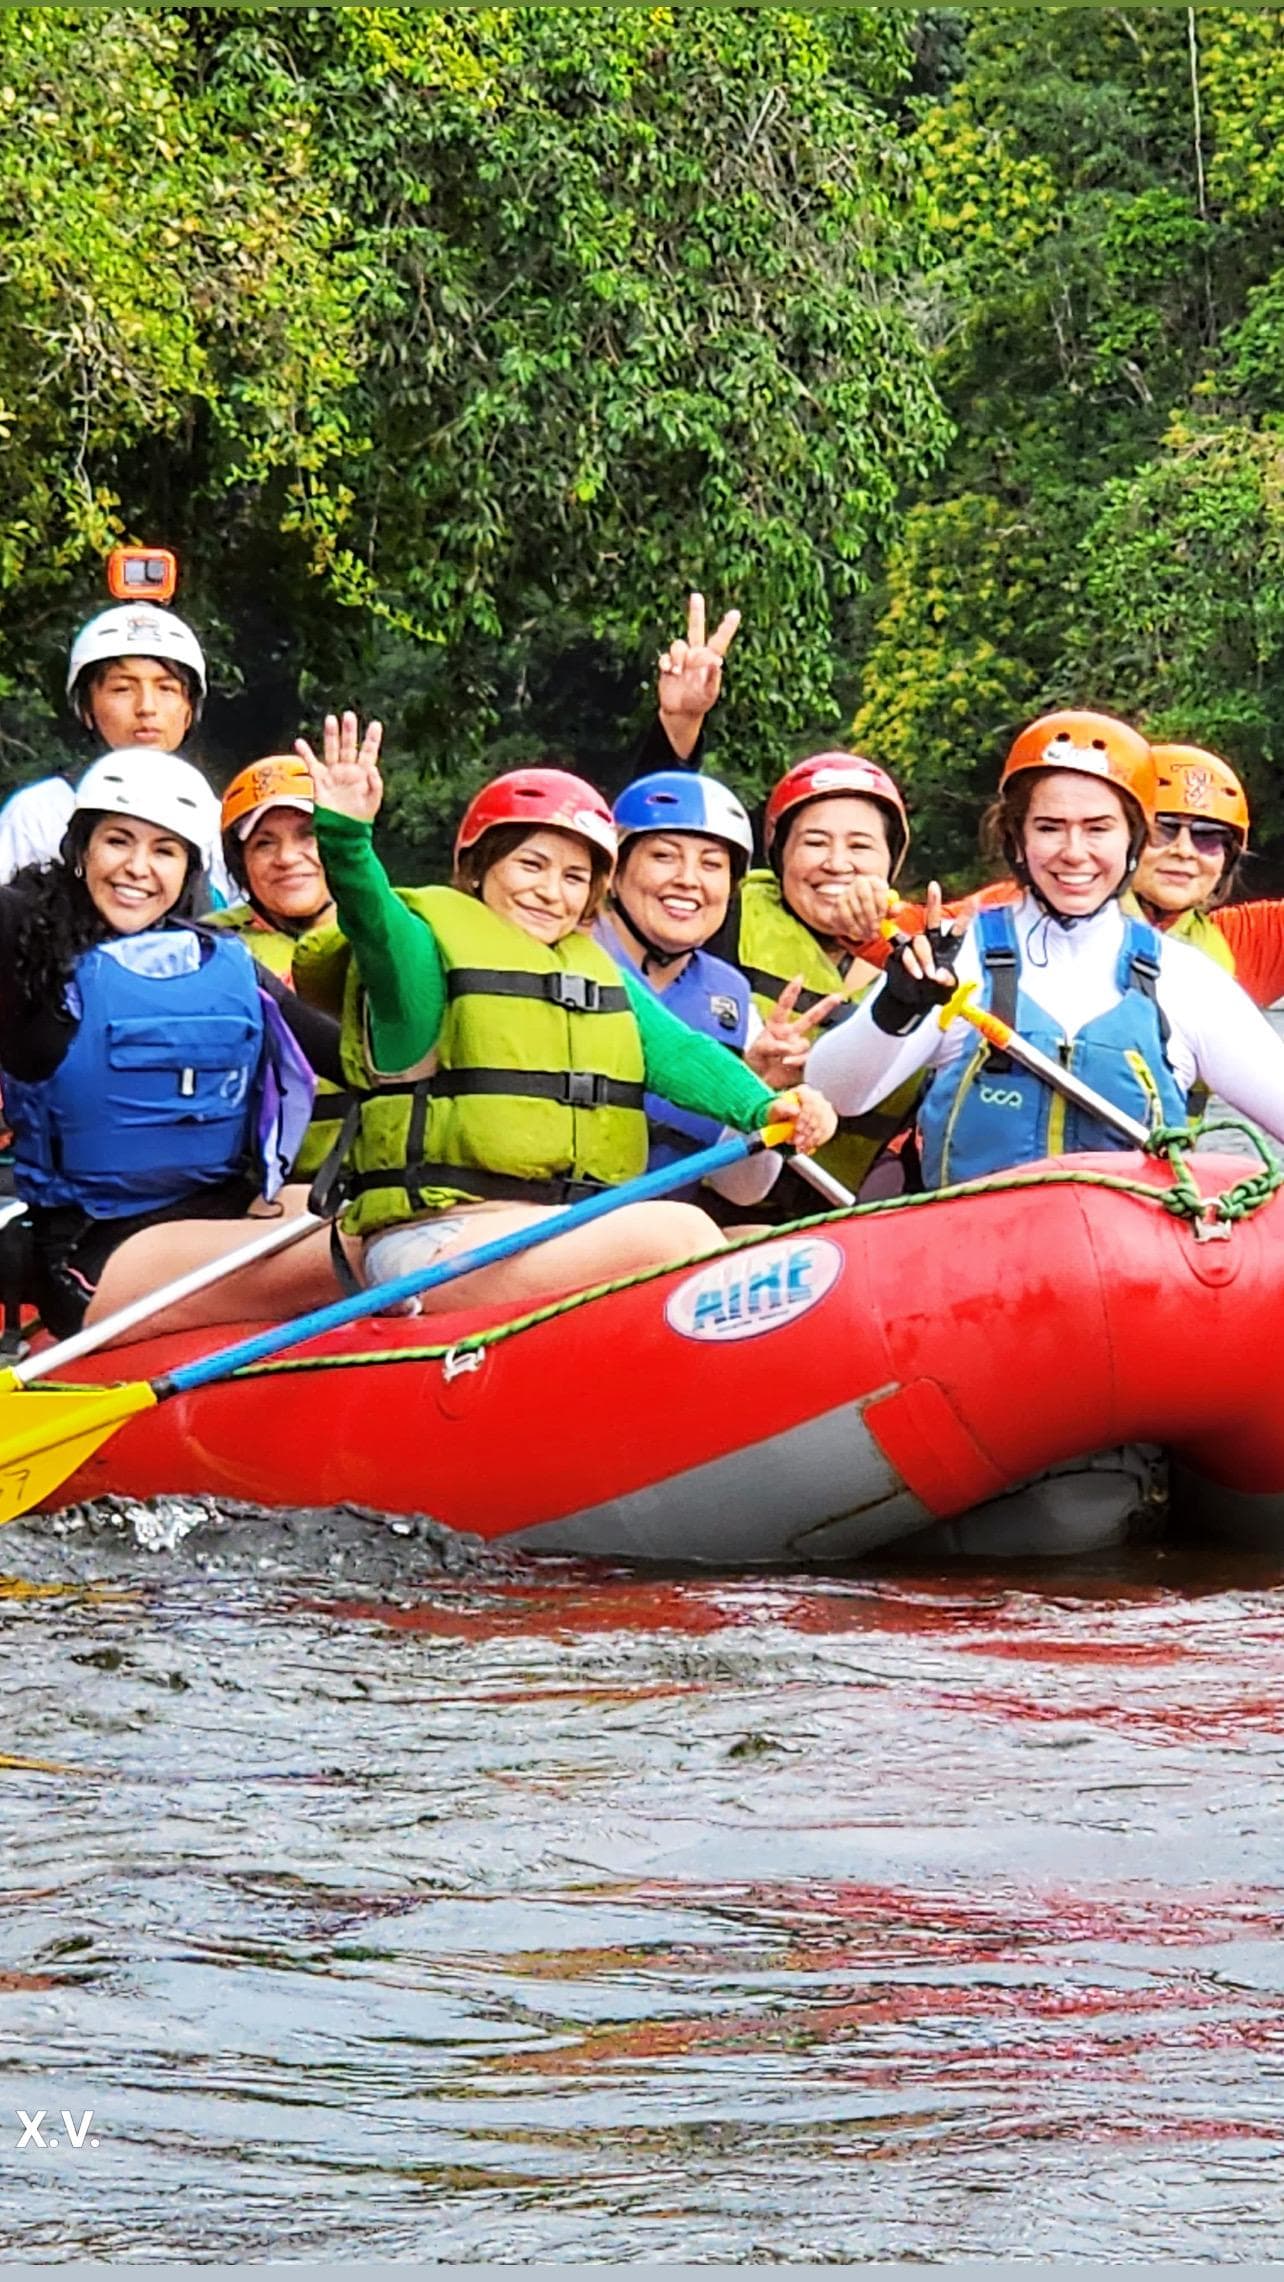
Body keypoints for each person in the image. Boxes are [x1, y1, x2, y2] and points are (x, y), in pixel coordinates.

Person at [292, 714, 836, 1315]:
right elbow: (372, 921)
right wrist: (345, 838)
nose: (552, 892)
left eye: (575, 877)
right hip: (432, 1244)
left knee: (765, 1255)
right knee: (679, 1236)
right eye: (531, 866)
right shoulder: (420, 958)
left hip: (555, 1230)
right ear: (478, 868)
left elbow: (680, 1053)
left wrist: (768, 1106)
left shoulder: (593, 973)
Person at [806, 709, 1284, 1184]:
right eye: (1050, 827)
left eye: (1098, 828)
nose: (1074, 852)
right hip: (975, 1249)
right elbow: (835, 1095)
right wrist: (894, 1009)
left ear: (1132, 841)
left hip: (1129, 1256)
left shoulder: (1187, 982)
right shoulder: (960, 958)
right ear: (1017, 840)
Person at [0, 748, 343, 1339]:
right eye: (118, 841)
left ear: (190, 870)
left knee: (389, 1223)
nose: (138, 867)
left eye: (164, 851)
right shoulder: (21, 936)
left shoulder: (221, 962)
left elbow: (356, 1059)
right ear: (81, 850)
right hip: (93, 1251)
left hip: (221, 1212)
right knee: (354, 1250)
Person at [727, 752, 924, 1202]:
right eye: (815, 843)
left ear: (890, 862)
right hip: (726, 1198)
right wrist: (678, 732)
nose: (837, 864)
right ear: (781, 855)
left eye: (860, 846)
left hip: (849, 1217)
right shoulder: (729, 915)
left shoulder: (926, 955)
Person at [598, 770, 786, 1211]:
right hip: (555, 1222)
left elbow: (743, 1190)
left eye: (712, 865)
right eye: (664, 856)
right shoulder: (565, 955)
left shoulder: (733, 999)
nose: (688, 880)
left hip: (663, 1242)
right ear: (614, 871)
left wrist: (759, 1088)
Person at [0, 601, 231, 898]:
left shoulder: (219, 821)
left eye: (167, 689)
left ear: (190, 710)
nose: (146, 707)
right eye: (123, 689)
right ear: (86, 708)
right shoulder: (40, 812)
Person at [206, 756, 350, 1179]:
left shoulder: (389, 930)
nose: (288, 857)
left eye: (309, 836)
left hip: (372, 1174)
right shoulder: (206, 945)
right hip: (251, 1182)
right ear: (240, 863)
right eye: (264, 843)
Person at [1127, 742, 1284, 1007]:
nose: (1185, 850)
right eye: (1162, 830)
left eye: (1208, 837)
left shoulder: (1240, 944)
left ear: (1227, 857)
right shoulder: (1050, 925)